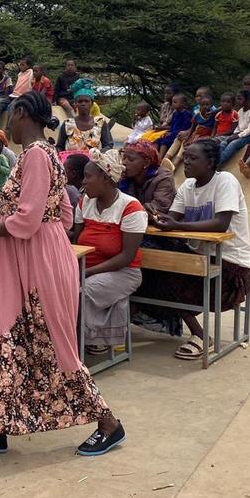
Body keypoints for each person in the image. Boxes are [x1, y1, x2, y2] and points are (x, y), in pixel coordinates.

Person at [0, 91, 124, 457]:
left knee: (52, 343)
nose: (6, 126)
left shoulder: (36, 156)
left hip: (34, 263)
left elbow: (28, 221)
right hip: (26, 258)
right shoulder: (45, 155)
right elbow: (60, 215)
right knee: (3, 338)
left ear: (22, 113)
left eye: (9, 117)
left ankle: (109, 423)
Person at [139, 138, 250, 362]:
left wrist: (176, 225)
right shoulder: (187, 187)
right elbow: (171, 220)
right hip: (198, 258)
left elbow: (221, 224)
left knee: (169, 277)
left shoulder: (225, 181)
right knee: (146, 267)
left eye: (192, 158)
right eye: (186, 157)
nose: (187, 162)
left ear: (210, 162)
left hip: (230, 264)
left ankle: (201, 336)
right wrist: (154, 215)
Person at [71, 149, 145, 356]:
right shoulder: (84, 202)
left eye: (88, 176)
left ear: (105, 178)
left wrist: (87, 273)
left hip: (124, 272)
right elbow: (77, 242)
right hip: (87, 268)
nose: (83, 182)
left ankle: (74, 355)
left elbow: (126, 257)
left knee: (79, 294)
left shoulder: (131, 208)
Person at [118, 140, 175, 219]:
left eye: (130, 160)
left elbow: (157, 210)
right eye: (124, 158)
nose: (124, 163)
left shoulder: (163, 179)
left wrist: (127, 211)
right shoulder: (125, 177)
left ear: (146, 163)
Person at [57, 82, 113, 153]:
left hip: (94, 162)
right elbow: (59, 147)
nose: (83, 104)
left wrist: (97, 155)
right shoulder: (67, 124)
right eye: (80, 101)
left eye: (86, 101)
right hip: (71, 163)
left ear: (92, 104)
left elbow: (108, 145)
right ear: (75, 104)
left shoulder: (100, 123)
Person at [218, 90, 250, 166]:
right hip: (240, 133)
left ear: (248, 100)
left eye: (240, 99)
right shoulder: (240, 111)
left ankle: (218, 163)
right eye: (237, 98)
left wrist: (238, 136)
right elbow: (239, 126)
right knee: (223, 143)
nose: (237, 101)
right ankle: (219, 160)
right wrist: (235, 133)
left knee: (233, 144)